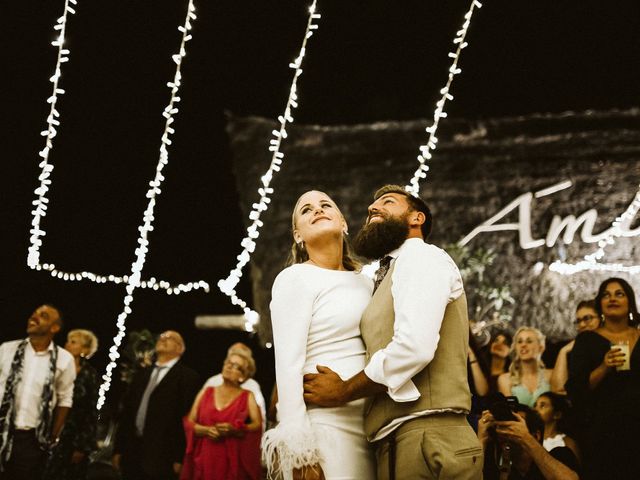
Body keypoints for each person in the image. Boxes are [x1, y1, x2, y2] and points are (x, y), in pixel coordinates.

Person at [303, 185, 483, 480]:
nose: (373, 208)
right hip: (401, 439)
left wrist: (343, 391)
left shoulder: (421, 257)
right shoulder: (385, 274)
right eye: (371, 206)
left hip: (430, 436)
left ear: (417, 218)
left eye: (387, 202)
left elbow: (414, 347)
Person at [263, 190, 376, 480]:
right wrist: (301, 453)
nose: (317, 210)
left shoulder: (366, 282)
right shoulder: (295, 278)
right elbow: (287, 366)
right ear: (297, 235)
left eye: (326, 204)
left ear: (343, 223)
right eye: (306, 209)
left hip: (372, 425)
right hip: (325, 425)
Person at [566, 277, 640, 480]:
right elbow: (576, 390)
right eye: (606, 295)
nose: (612, 298)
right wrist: (604, 367)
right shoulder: (587, 341)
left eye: (619, 294)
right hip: (603, 432)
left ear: (630, 301)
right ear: (600, 304)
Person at [0, 304, 76, 480]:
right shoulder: (6, 349)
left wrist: (53, 436)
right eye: (33, 313)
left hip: (31, 440)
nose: (33, 317)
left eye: (43, 316)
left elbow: (65, 399)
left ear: (54, 328)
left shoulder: (64, 360)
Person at [113, 330, 200, 480]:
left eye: (170, 338)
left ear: (180, 349)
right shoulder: (142, 374)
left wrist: (179, 457)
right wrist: (119, 448)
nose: (163, 339)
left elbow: (185, 418)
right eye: (161, 337)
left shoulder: (188, 377)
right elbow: (127, 413)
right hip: (133, 453)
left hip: (163, 456)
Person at [181, 351, 262, 479]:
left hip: (231, 460)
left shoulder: (247, 395)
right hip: (204, 457)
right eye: (228, 363)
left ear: (243, 376)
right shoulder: (206, 391)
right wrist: (206, 430)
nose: (229, 366)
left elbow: (257, 426)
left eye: (236, 366)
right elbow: (189, 422)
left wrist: (235, 430)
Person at [44, 329, 100, 480]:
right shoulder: (54, 366)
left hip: (72, 437)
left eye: (73, 342)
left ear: (85, 349)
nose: (67, 344)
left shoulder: (89, 375)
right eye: (68, 341)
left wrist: (81, 446)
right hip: (48, 430)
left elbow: (91, 412)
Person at [478, 405, 579, 479]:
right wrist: (481, 441)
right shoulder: (504, 471)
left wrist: (526, 438)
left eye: (516, 424)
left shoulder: (560, 455)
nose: (509, 429)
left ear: (536, 435)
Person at [203, 342, 266, 432]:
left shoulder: (252, 386)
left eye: (236, 365)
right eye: (230, 362)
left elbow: (260, 420)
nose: (230, 367)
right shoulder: (212, 382)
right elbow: (196, 417)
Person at [550, 300, 599, 394]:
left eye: (587, 318)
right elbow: (557, 390)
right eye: (578, 321)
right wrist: (563, 351)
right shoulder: (575, 351)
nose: (582, 325)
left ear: (601, 318)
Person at [498, 327, 552, 407]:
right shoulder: (504, 379)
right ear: (516, 348)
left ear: (541, 347)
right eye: (519, 342)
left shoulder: (551, 375)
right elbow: (510, 412)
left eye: (529, 341)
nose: (523, 345)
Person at [532, 392, 579, 459]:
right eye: (535, 405)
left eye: (542, 406)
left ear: (557, 415)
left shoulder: (568, 443)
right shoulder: (531, 438)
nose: (535, 409)